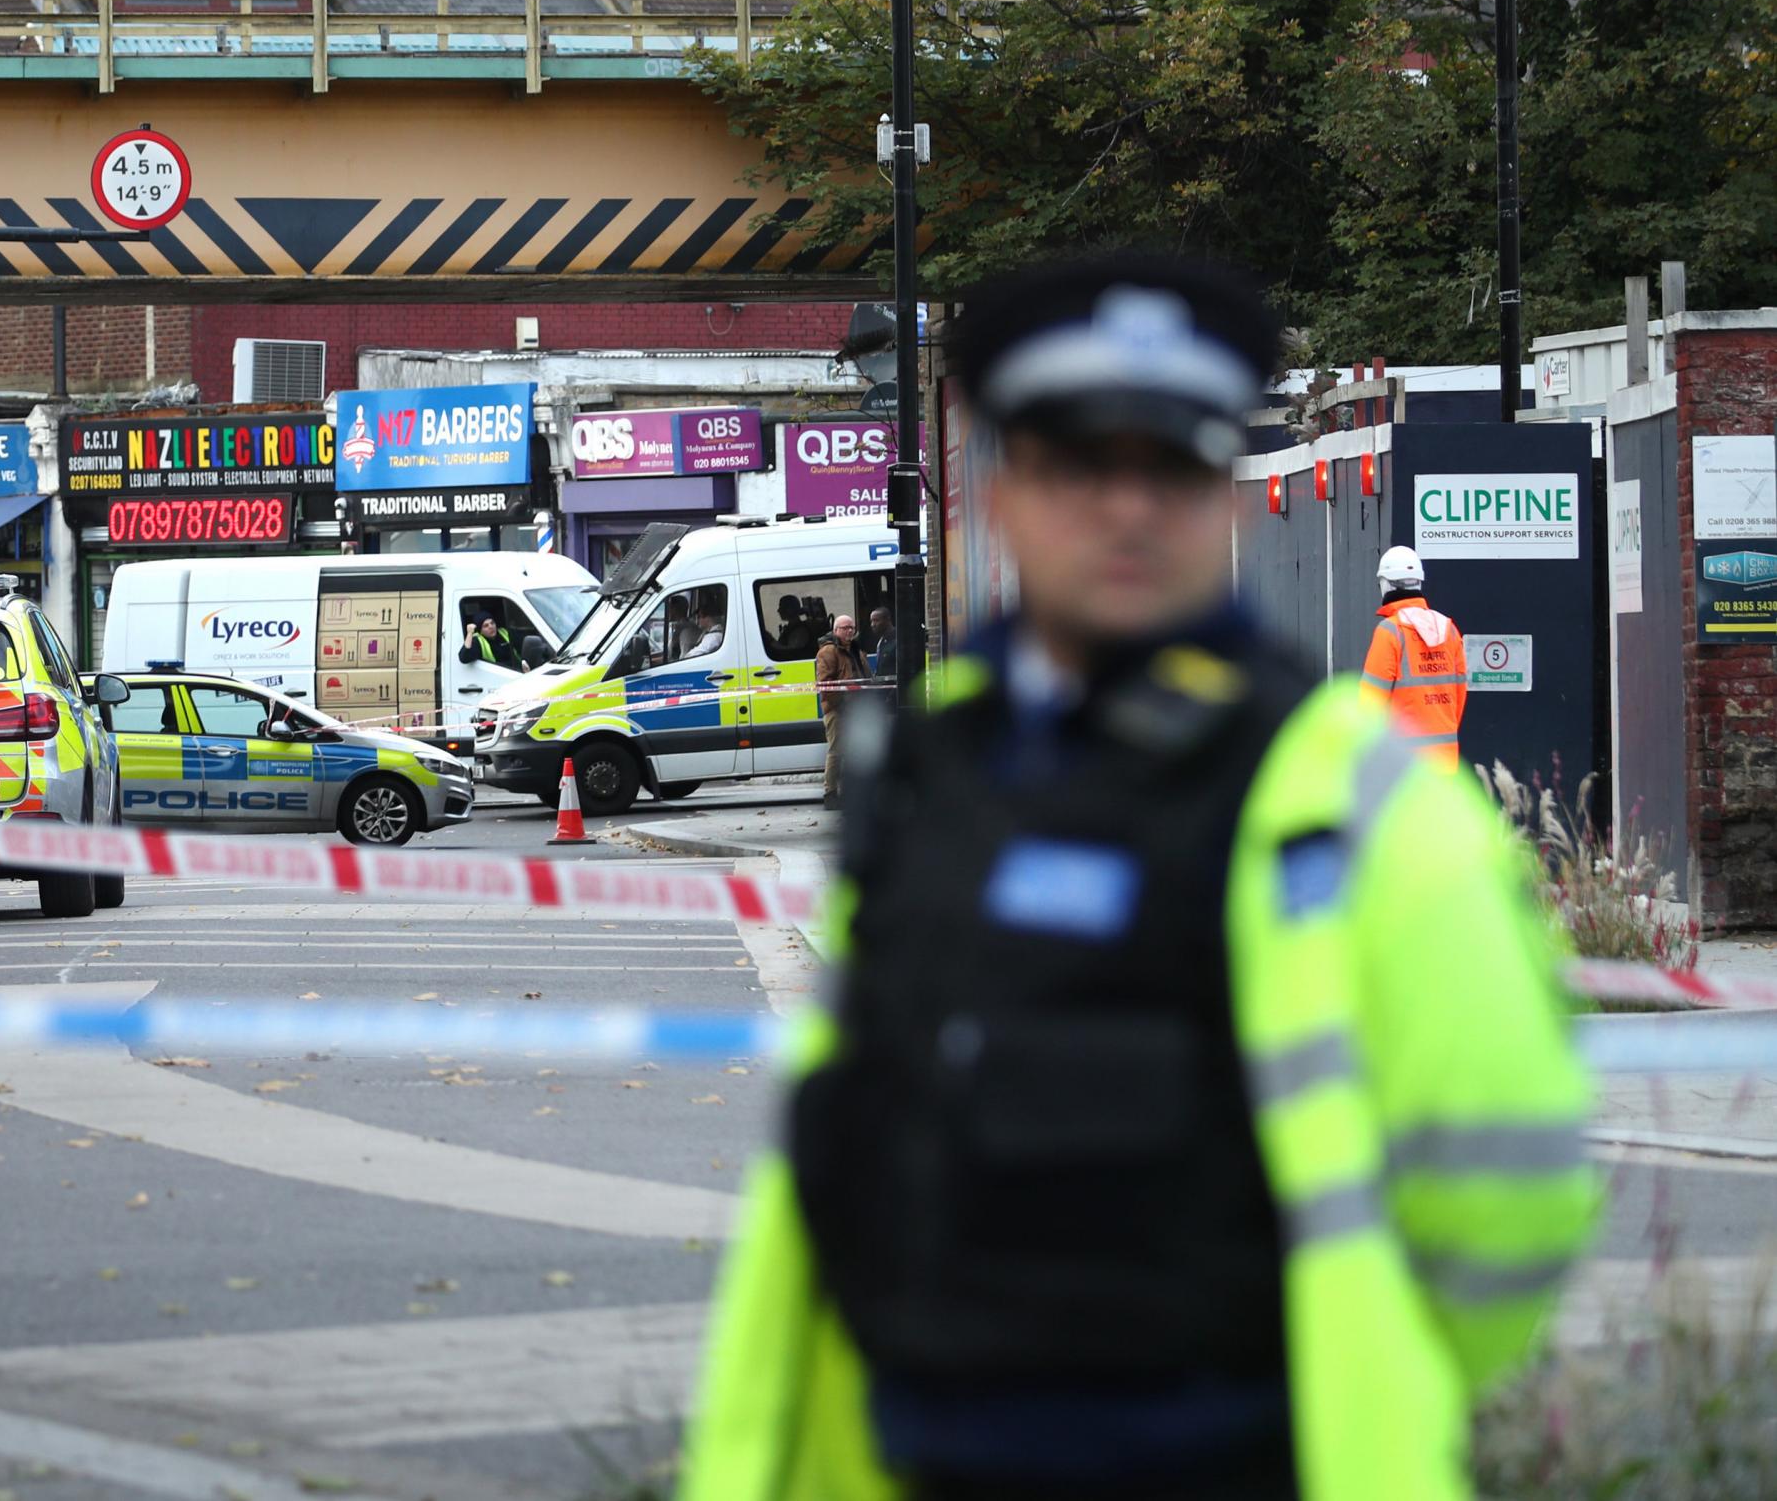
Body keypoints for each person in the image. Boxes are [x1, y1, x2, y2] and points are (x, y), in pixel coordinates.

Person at [680, 253, 1593, 1501]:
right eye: (1075, 466)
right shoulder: (927, 777)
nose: (1125, 508)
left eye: (1166, 466)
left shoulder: (1355, 804)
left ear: (1221, 497)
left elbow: (1510, 1209)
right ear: (999, 498)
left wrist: (1360, 1376)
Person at [1362, 545, 1467, 770]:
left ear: (1386, 584)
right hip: (1445, 764)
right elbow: (1458, 699)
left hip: (1401, 766)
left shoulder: (1390, 632)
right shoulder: (1449, 630)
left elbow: (1370, 704)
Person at [812, 614, 871, 807]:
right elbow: (826, 684)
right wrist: (844, 698)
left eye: (852, 628)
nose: (849, 631)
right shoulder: (828, 652)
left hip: (858, 709)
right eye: (845, 628)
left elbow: (866, 677)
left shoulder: (857, 650)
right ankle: (830, 794)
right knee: (836, 751)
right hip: (837, 708)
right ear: (836, 630)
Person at [864, 606, 897, 678]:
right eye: (871, 621)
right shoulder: (880, 640)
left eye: (876, 620)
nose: (873, 625)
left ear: (887, 620)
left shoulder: (897, 640)